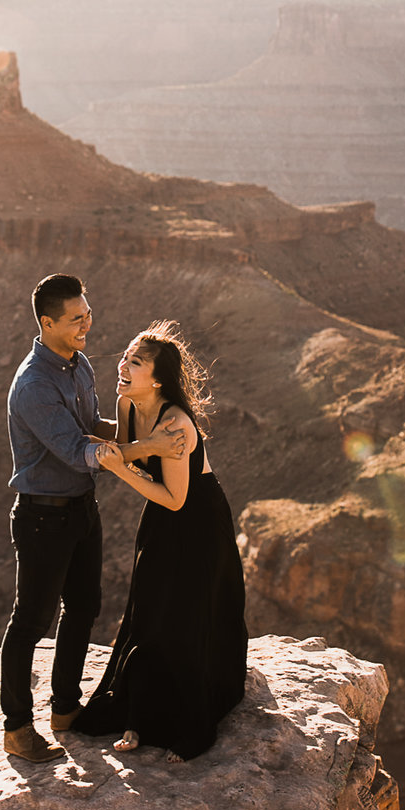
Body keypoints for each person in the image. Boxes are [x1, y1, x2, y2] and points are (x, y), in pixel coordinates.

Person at [0, 274, 189, 764]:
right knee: (30, 622)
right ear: (47, 323)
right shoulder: (34, 385)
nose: (88, 323)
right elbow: (77, 450)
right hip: (43, 516)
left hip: (81, 508)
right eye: (76, 318)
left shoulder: (76, 364)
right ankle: (18, 728)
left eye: (88, 312)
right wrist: (150, 448)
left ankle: (64, 709)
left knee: (84, 607)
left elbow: (94, 428)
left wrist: (155, 427)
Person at [73, 321, 250, 761]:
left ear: (157, 378)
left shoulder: (177, 425)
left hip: (197, 522)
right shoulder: (129, 403)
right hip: (162, 519)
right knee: (148, 613)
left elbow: (176, 497)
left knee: (184, 620)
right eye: (126, 356)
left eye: (135, 361)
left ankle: (186, 726)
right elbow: (134, 447)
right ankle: (138, 715)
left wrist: (117, 467)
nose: (123, 365)